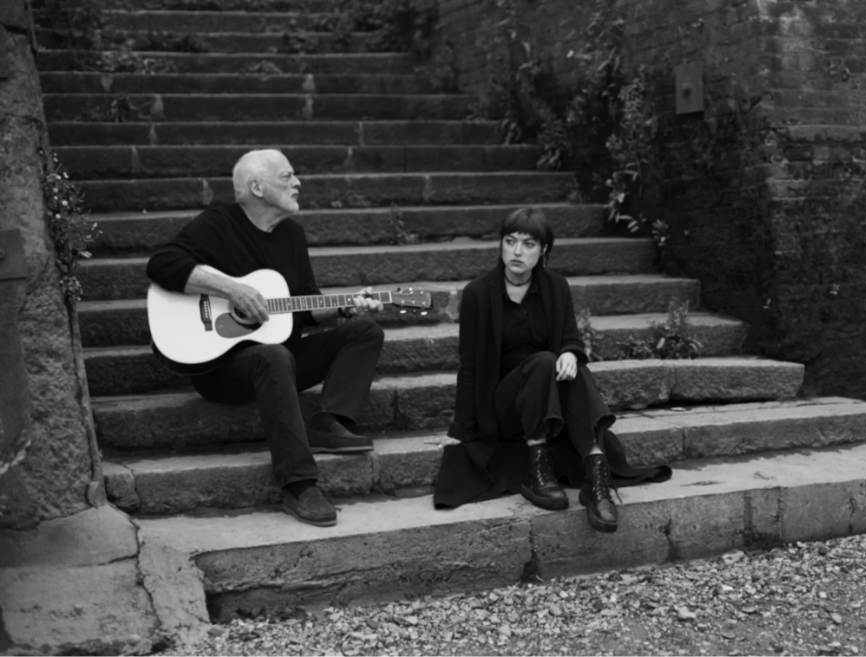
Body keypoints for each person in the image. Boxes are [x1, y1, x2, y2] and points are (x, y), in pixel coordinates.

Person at [146, 149, 385, 528]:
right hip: (221, 368)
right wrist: (232, 290)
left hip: (281, 361)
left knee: (364, 331)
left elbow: (305, 306)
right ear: (257, 187)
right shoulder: (218, 224)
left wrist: (344, 307)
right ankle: (298, 484)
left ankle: (328, 421)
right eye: (287, 176)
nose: (298, 183)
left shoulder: (292, 235)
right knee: (273, 355)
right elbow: (161, 264)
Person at [432, 207, 671, 532]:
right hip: (505, 407)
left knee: (573, 368)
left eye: (528, 244)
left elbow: (570, 337)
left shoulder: (556, 287)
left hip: (549, 404)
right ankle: (538, 470)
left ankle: (596, 477)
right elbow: (470, 366)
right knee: (544, 361)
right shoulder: (478, 294)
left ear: (544, 250)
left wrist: (570, 353)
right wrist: (460, 429)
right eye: (510, 241)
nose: (517, 251)